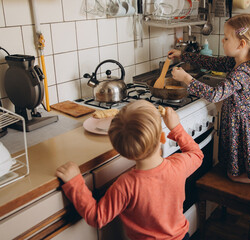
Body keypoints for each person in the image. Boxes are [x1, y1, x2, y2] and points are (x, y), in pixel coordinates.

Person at [168, 14, 250, 214]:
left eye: (226, 38)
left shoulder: (242, 72)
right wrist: (182, 55)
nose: (222, 40)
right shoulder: (239, 63)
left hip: (247, 130)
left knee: (234, 175)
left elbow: (215, 94)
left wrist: (186, 78)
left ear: (242, 43)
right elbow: (210, 62)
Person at [56, 100, 204, 240]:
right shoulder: (177, 166)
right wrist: (176, 127)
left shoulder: (126, 185)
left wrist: (75, 182)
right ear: (162, 137)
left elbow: (97, 218)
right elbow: (197, 155)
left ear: (122, 151)